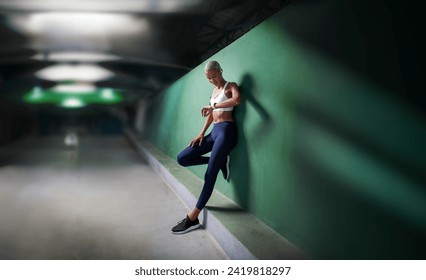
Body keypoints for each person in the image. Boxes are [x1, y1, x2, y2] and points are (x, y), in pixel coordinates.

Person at [172, 60, 241, 234]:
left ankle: (193, 218)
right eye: (209, 78)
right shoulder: (214, 91)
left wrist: (214, 105)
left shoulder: (229, 86)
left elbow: (237, 99)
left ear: (220, 71)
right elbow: (210, 115)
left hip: (226, 132)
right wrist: (201, 133)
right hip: (213, 132)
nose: (212, 80)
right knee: (182, 158)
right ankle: (219, 160)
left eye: (214, 76)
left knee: (210, 174)